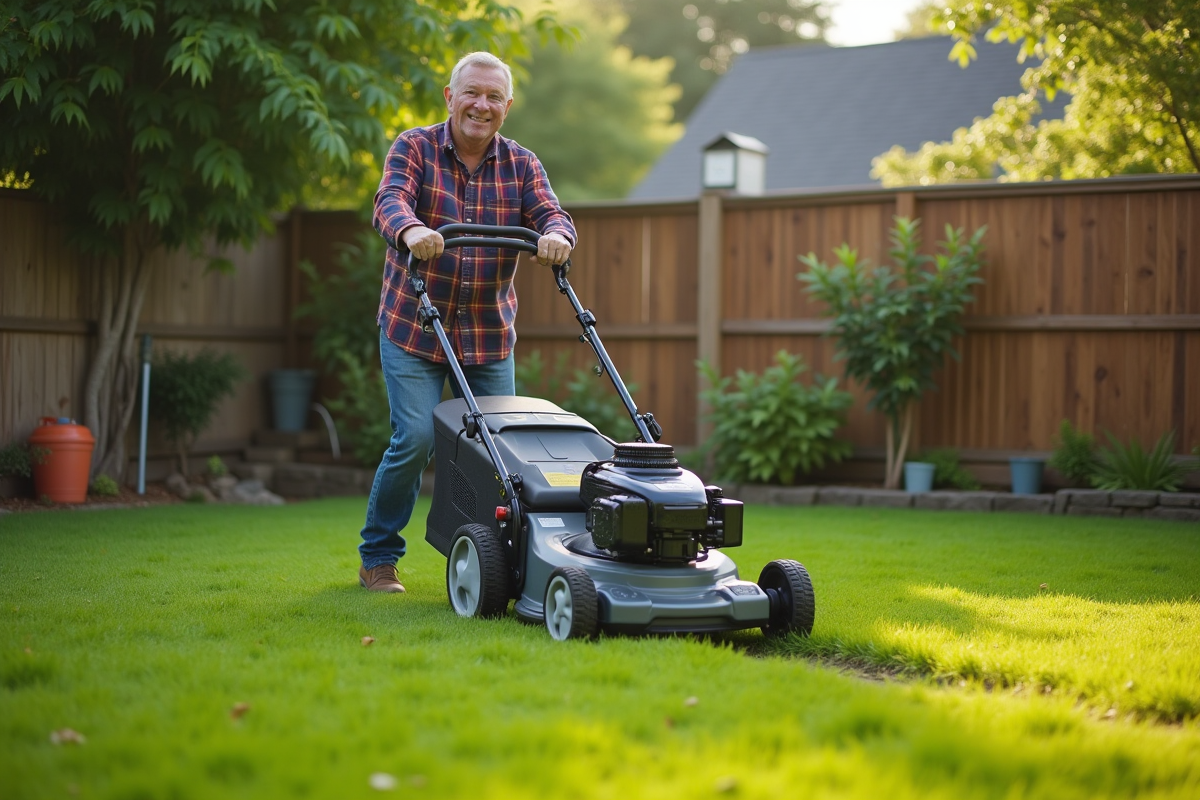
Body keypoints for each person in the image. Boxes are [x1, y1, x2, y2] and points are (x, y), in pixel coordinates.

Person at [359, 52, 576, 593]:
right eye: (472, 93)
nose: (482, 105)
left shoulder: (522, 164)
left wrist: (556, 237)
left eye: (494, 97)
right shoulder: (414, 146)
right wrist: (410, 231)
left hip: (486, 335)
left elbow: (552, 213)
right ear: (450, 97)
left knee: (502, 452)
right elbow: (390, 200)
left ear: (507, 106)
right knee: (413, 439)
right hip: (414, 324)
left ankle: (503, 566)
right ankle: (379, 557)